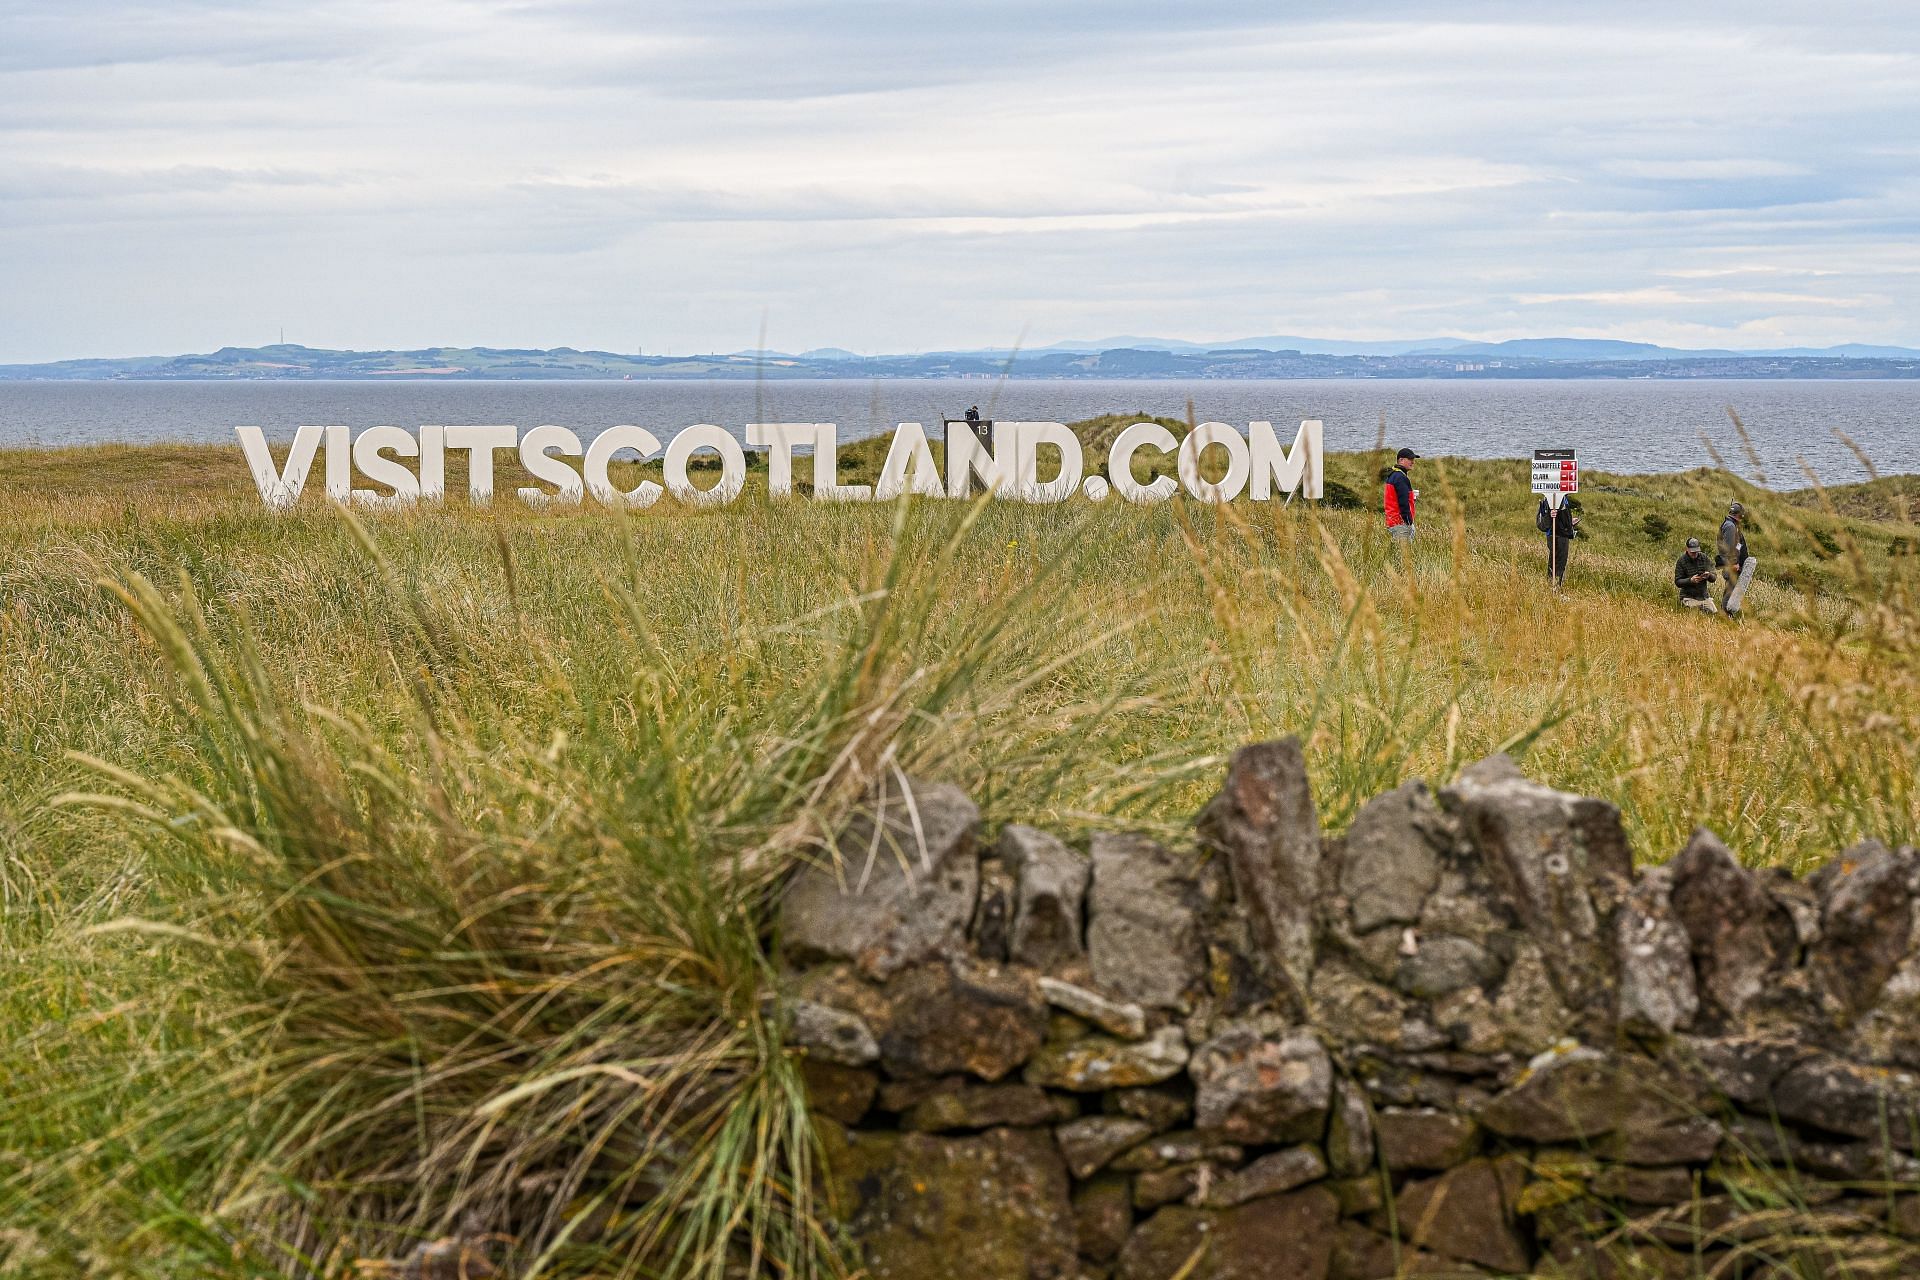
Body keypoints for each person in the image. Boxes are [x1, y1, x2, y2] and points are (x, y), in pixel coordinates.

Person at [1716, 501, 1756, 616]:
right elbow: (1729, 548)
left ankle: (1726, 613)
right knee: (1730, 590)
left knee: (1731, 589)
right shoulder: (1730, 526)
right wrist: (1733, 563)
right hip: (1732, 565)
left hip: (1733, 564)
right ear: (1739, 515)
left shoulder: (1731, 524)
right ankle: (1725, 614)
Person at [1535, 495, 1580, 586]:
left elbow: (1560, 520)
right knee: (1557, 564)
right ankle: (1554, 590)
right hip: (1556, 536)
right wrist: (1550, 516)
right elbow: (1544, 522)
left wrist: (1569, 523)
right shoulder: (1553, 498)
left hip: (1561, 535)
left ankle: (1555, 588)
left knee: (1559, 563)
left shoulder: (1562, 498)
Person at [1674, 537, 1718, 613]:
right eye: (1692, 552)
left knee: (1714, 613)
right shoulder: (1681, 561)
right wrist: (1690, 580)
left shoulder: (1704, 558)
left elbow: (1714, 577)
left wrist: (1709, 576)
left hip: (1704, 597)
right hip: (1688, 597)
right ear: (1687, 549)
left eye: (1696, 552)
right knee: (1695, 612)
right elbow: (1678, 582)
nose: (1695, 554)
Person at [1383, 448, 1418, 541]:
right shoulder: (1400, 477)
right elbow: (1403, 502)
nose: (1413, 462)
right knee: (1403, 554)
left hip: (1394, 522)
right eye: (1410, 459)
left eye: (1413, 459)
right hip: (1400, 523)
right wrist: (1408, 522)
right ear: (1401, 460)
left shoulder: (1394, 475)